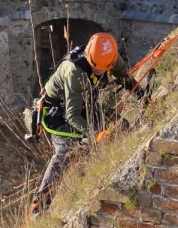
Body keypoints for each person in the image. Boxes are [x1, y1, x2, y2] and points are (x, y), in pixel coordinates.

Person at [31, 32, 141, 216]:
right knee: (65, 150)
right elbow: (72, 115)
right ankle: (40, 203)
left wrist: (144, 98)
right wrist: (96, 134)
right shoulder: (75, 71)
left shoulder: (109, 56)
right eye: (96, 69)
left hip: (85, 104)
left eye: (103, 70)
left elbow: (124, 78)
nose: (100, 72)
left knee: (120, 125)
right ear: (90, 58)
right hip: (57, 109)